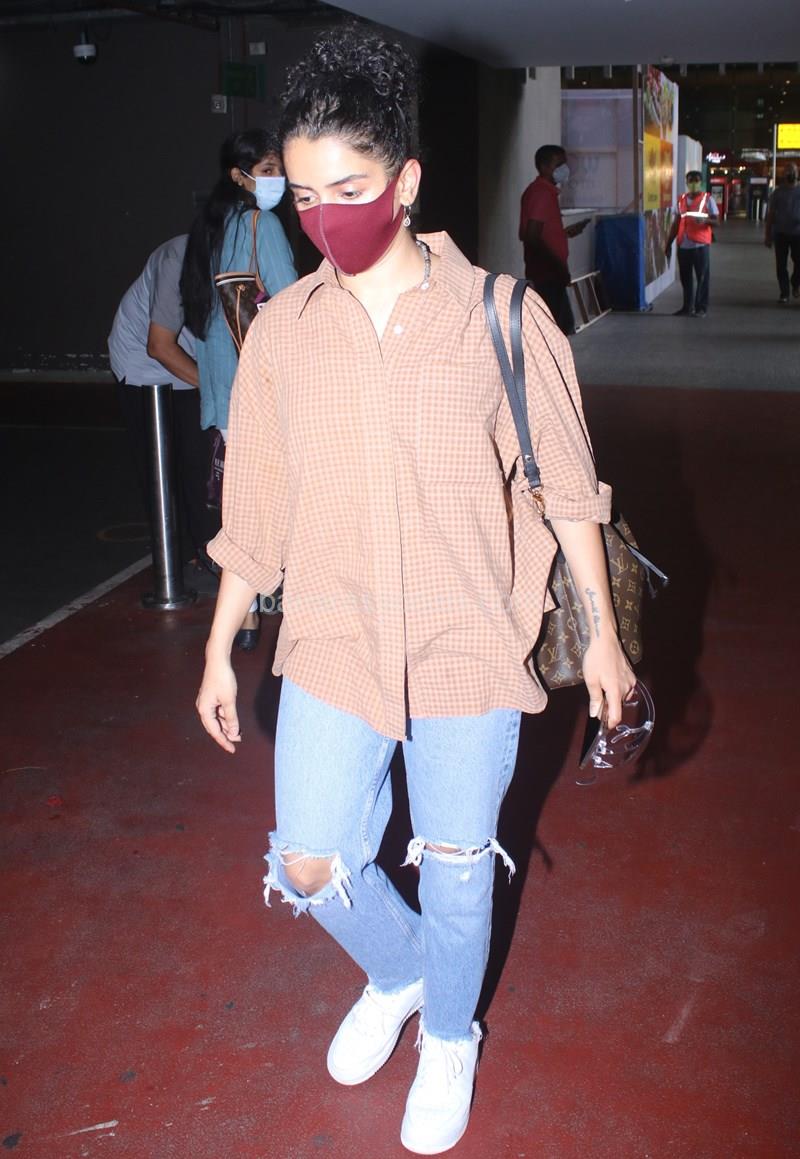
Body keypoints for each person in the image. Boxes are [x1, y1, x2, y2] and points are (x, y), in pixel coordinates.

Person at [196, 30, 635, 1156]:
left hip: (465, 640)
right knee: (309, 857)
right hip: (333, 638)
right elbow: (257, 507)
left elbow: (567, 492)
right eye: (305, 197)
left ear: (405, 182)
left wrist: (598, 637)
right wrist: (218, 646)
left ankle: (449, 1032)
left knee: (454, 867)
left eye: (349, 190)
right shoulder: (284, 334)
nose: (324, 219)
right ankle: (398, 974)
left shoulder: (499, 316)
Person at [181, 130, 298, 647]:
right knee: (281, 499)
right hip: (264, 385)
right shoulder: (261, 224)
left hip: (223, 388)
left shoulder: (207, 230)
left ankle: (244, 614)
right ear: (239, 175)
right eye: (269, 169)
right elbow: (291, 303)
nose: (279, 179)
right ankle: (281, 601)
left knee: (241, 499)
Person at [108, 235, 219, 589]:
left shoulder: (245, 257)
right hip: (144, 363)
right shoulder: (179, 259)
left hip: (190, 354)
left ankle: (208, 552)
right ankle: (182, 559)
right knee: (162, 467)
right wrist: (218, 390)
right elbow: (158, 346)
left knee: (199, 461)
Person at [519, 144, 587, 335]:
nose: (564, 169)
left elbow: (541, 233)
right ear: (543, 167)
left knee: (559, 329)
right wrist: (558, 267)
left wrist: (564, 233)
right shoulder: (541, 194)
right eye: (559, 164)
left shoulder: (545, 193)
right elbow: (532, 236)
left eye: (565, 164)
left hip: (550, 275)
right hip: (548, 276)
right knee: (555, 332)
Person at [665, 171, 719, 317]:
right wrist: (669, 243)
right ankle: (687, 307)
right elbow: (676, 223)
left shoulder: (708, 199)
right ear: (687, 182)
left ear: (701, 182)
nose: (693, 183)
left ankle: (701, 308)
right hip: (683, 245)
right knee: (685, 278)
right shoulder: (681, 200)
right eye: (691, 180)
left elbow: (717, 222)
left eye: (696, 180)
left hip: (700, 246)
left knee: (702, 278)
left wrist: (706, 221)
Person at [764, 162, 800, 304]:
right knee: (781, 264)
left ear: (797, 173)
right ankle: (784, 293)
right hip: (781, 233)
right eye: (787, 170)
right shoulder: (778, 193)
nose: (790, 173)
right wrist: (768, 235)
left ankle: (795, 282)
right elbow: (771, 215)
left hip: (798, 234)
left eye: (793, 170)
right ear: (783, 174)